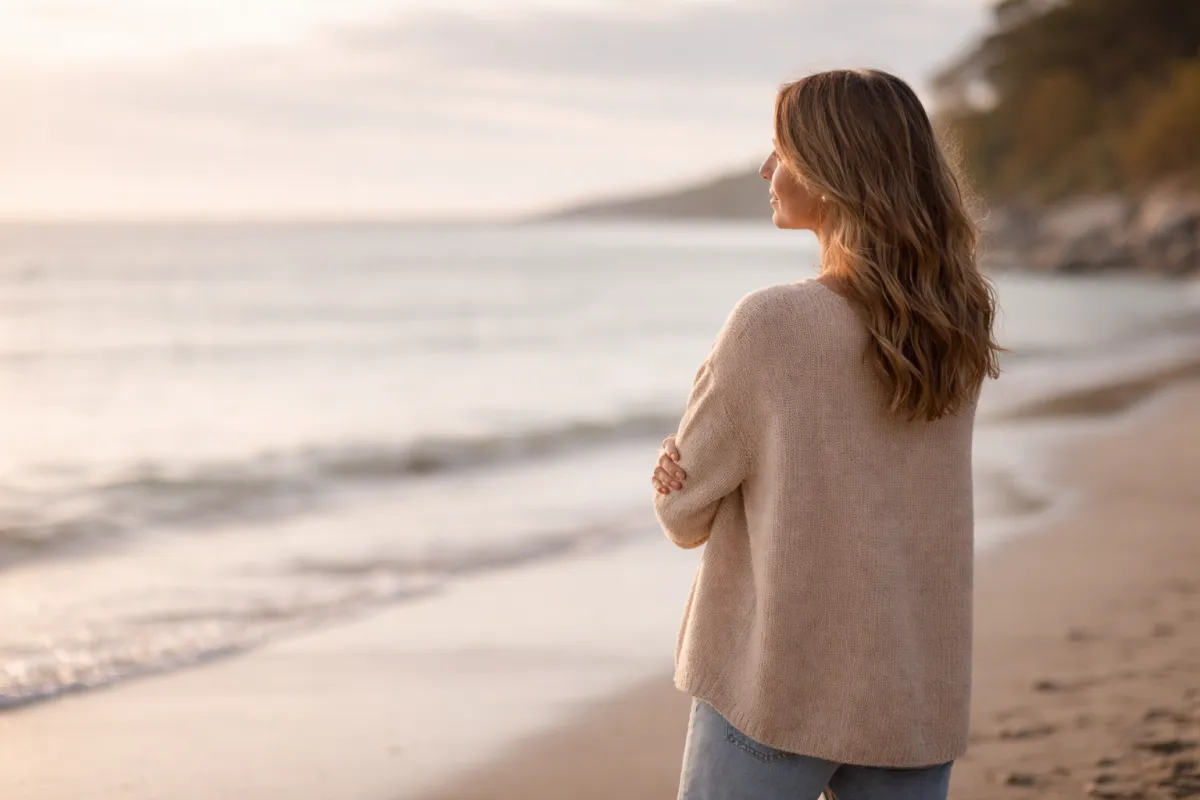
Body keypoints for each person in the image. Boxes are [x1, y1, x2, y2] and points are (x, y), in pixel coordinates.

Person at [650, 68, 1001, 800]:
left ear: (834, 169)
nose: (766, 168)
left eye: (782, 150)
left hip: (778, 687)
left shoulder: (772, 323)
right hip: (914, 694)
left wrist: (680, 454)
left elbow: (685, 515)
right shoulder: (957, 322)